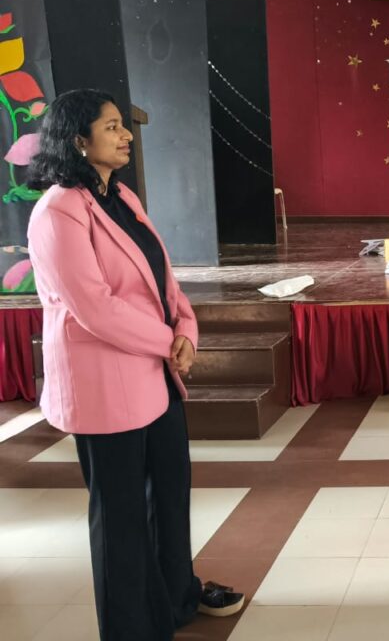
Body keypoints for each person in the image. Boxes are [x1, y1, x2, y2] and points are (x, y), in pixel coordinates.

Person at [26, 89, 244, 640]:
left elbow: (160, 276)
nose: (126, 135)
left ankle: (177, 598)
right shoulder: (57, 210)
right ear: (78, 140)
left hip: (153, 373)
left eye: (123, 125)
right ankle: (130, 627)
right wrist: (168, 340)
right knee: (120, 517)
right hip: (105, 383)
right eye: (111, 127)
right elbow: (95, 306)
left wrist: (186, 328)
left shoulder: (119, 195)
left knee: (169, 495)